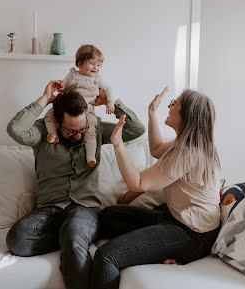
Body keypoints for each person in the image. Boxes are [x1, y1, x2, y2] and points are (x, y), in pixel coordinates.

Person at [5, 80, 145, 289]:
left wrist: (111, 102)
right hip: (48, 209)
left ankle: (78, 235)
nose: (79, 135)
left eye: (82, 129)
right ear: (56, 121)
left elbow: (136, 129)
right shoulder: (43, 131)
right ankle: (83, 234)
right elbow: (15, 129)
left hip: (84, 208)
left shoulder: (94, 129)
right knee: (17, 239)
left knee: (74, 237)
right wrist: (44, 99)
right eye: (71, 132)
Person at [90, 87, 221, 289]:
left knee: (106, 256)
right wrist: (152, 112)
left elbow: (138, 183)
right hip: (175, 218)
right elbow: (157, 149)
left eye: (173, 104)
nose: (169, 107)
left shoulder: (187, 152)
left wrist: (118, 144)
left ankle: (156, 250)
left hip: (192, 235)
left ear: (186, 114)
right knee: (109, 215)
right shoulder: (189, 143)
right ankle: (150, 249)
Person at [44, 45, 114, 167]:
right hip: (68, 107)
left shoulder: (97, 79)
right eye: (92, 64)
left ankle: (91, 156)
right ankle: (52, 134)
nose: (96, 68)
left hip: (87, 110)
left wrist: (110, 102)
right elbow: (63, 86)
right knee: (49, 115)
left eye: (99, 65)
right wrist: (60, 87)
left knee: (91, 129)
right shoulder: (72, 75)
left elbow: (109, 88)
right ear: (80, 63)